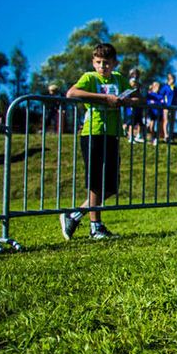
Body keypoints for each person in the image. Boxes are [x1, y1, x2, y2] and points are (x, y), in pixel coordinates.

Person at [60, 43, 141, 240]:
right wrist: (105, 99)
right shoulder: (89, 77)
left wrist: (125, 101)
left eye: (106, 63)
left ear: (114, 63)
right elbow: (72, 93)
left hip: (112, 134)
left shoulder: (119, 79)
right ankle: (95, 226)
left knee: (111, 185)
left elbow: (138, 98)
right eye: (98, 62)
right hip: (93, 132)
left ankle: (74, 214)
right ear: (93, 63)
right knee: (96, 182)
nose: (102, 66)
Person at [123, 69, 144, 143]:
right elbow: (130, 92)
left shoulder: (139, 82)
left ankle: (137, 135)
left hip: (137, 105)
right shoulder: (131, 82)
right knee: (131, 121)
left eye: (137, 74)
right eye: (134, 73)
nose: (136, 75)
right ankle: (130, 136)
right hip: (131, 105)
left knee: (138, 121)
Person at [162, 73, 177, 142]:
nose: (173, 80)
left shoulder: (175, 88)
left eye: (174, 79)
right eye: (172, 79)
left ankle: (171, 135)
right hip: (166, 106)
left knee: (172, 121)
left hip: (173, 106)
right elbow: (161, 95)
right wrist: (163, 103)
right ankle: (166, 135)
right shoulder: (165, 87)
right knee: (166, 120)